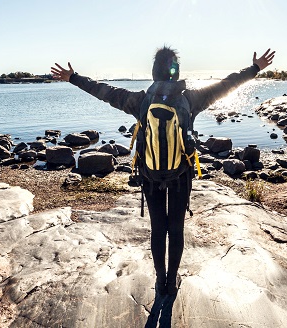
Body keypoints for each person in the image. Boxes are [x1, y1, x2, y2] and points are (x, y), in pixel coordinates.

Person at [50, 46, 275, 302]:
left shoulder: (140, 100)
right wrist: (255, 69)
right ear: (176, 72)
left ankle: (160, 280)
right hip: (181, 174)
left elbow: (104, 92)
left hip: (150, 174)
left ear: (154, 72)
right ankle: (172, 280)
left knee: (158, 229)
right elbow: (227, 84)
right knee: (176, 229)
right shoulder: (190, 99)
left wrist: (74, 77)